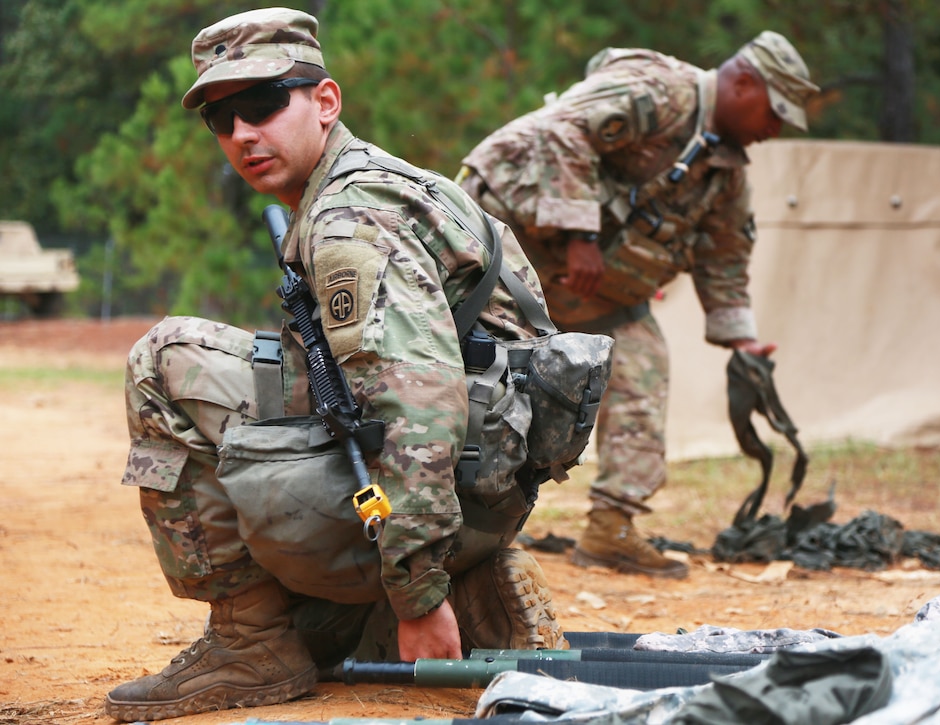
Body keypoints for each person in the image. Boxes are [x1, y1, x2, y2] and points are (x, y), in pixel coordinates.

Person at [105, 7, 565, 722]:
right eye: (221, 120)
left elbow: (416, 399)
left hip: (458, 488)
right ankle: (446, 592)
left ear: (325, 102)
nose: (241, 134)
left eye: (262, 104)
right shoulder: (370, 182)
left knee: (162, 361)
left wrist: (419, 593)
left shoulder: (347, 217)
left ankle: (254, 639)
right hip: (485, 484)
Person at [457, 33, 819, 579]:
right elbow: (565, 128)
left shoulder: (725, 174)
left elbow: (725, 253)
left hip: (592, 285)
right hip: (500, 247)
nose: (776, 130)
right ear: (744, 82)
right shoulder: (658, 88)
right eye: (775, 113)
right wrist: (580, 232)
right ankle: (460, 515)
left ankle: (612, 526)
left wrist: (741, 341)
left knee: (643, 362)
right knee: (481, 374)